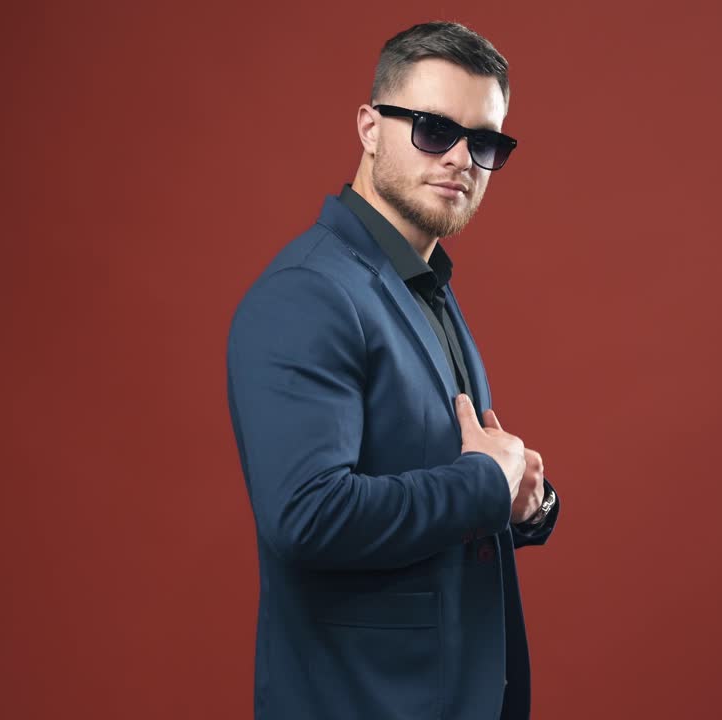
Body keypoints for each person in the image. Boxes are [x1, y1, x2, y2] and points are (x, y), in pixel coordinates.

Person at [226, 20, 561, 720]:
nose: (462, 160)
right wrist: (481, 484)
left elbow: (441, 482)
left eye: (485, 142)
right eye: (435, 130)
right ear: (370, 127)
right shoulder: (309, 293)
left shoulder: (421, 284)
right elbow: (307, 516)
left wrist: (523, 502)